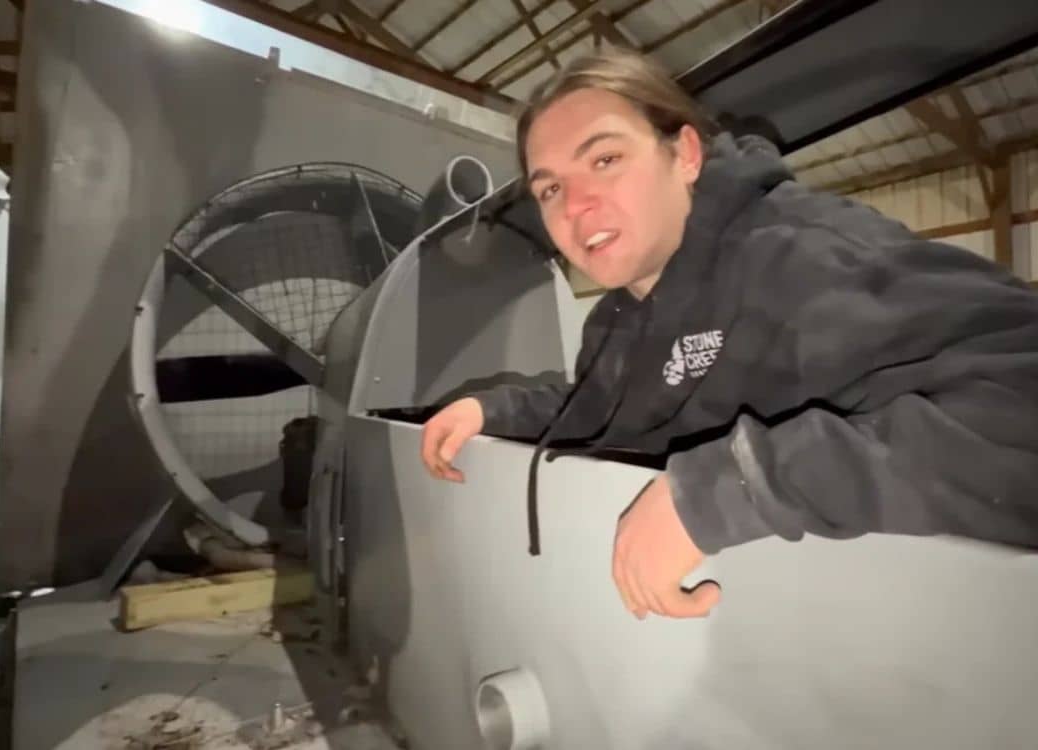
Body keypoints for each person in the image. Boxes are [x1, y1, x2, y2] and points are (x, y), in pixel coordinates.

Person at [419, 50, 1038, 621]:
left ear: (685, 154)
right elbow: (603, 409)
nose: (575, 206)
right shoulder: (617, 318)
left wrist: (733, 486)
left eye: (605, 159)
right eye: (550, 188)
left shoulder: (805, 258)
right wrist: (494, 409)